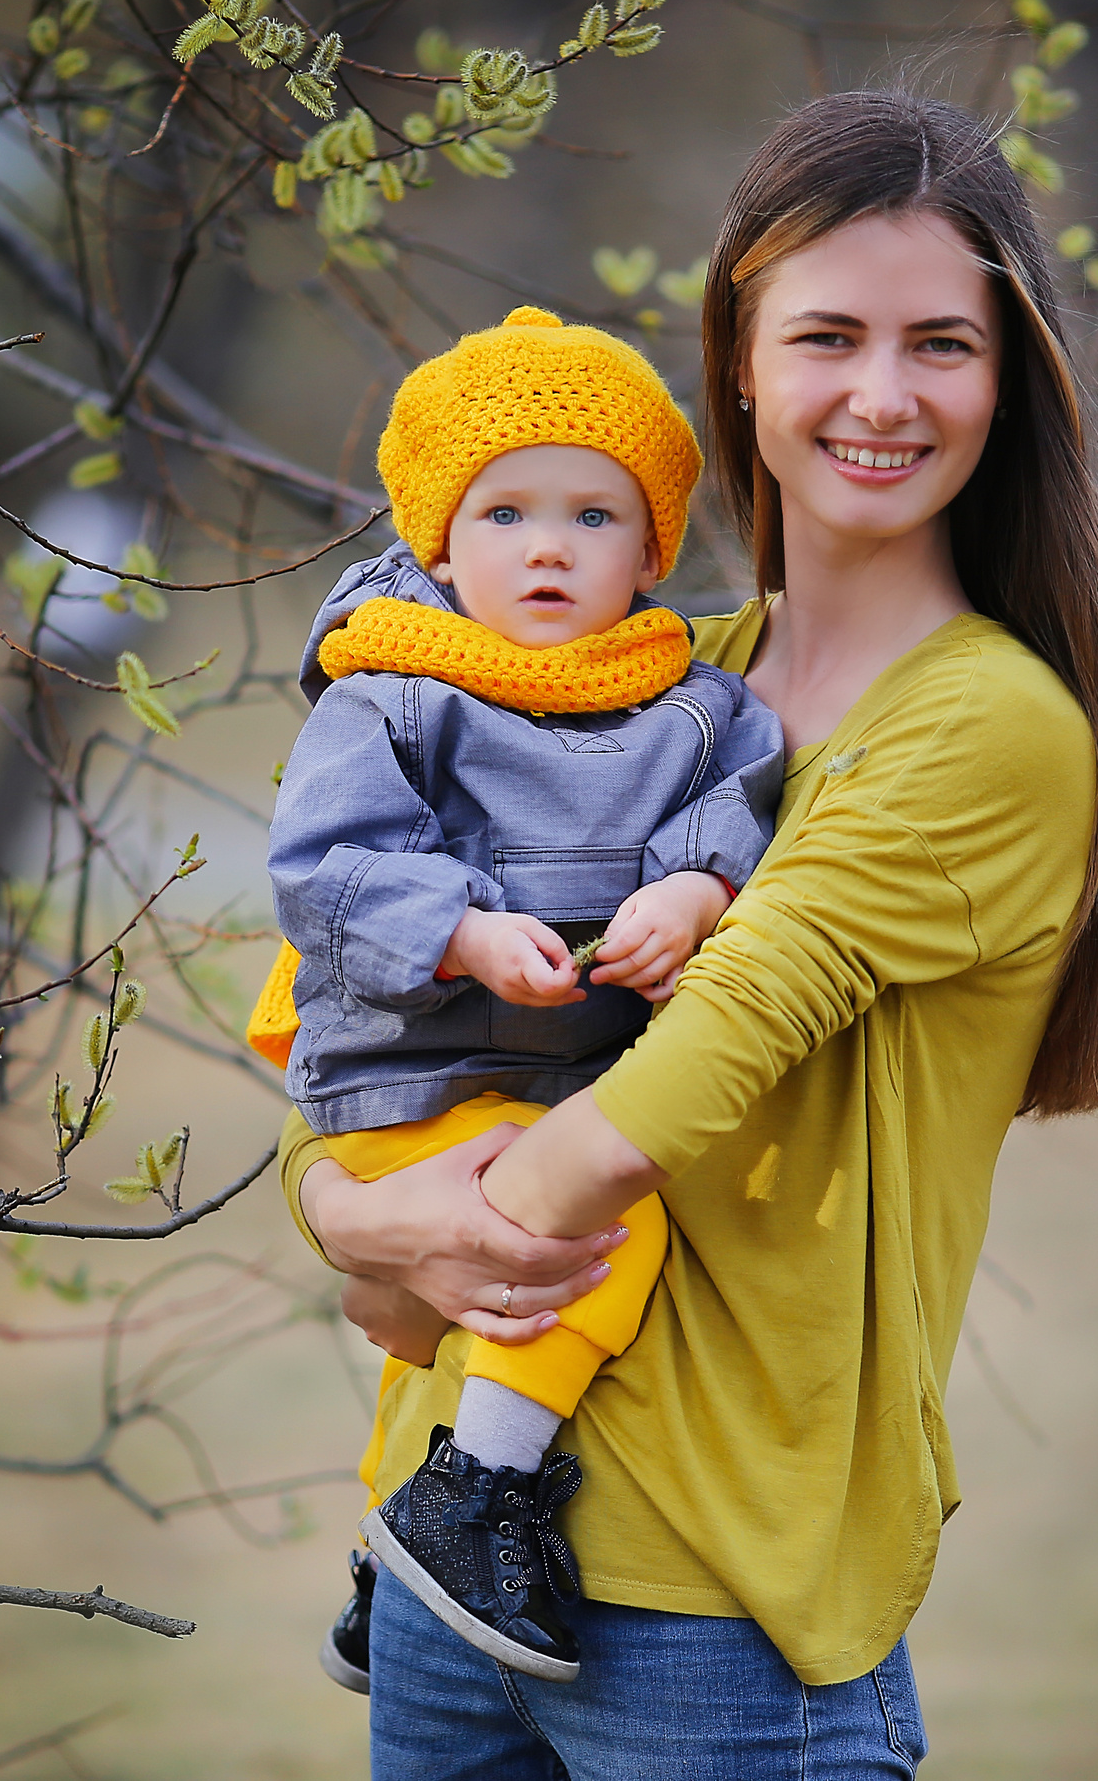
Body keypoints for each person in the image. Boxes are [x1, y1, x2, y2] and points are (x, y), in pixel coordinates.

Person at [276, 90, 1098, 1779]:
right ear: (741, 365)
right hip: (438, 1558)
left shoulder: (984, 724)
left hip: (714, 1623)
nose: (884, 394)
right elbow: (342, 995)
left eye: (943, 344)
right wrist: (342, 1201)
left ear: (1011, 380)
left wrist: (409, 1249)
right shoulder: (632, 676)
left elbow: (699, 1063)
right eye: (829, 334)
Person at [252, 306, 785, 1688]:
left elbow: (734, 800)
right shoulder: (392, 696)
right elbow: (323, 866)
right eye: (504, 512)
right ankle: (477, 1493)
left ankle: (397, 1549)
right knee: (595, 1244)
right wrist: (463, 934)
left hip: (559, 1085)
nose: (548, 545)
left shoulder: (692, 701)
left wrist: (692, 893)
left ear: (654, 550)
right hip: (405, 1078)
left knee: (507, 1291)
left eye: (594, 514)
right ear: (438, 540)